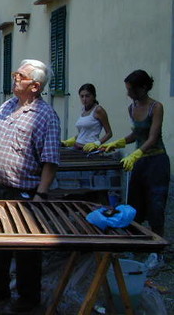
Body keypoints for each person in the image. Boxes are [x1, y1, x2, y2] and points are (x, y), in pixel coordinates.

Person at [0, 59, 60, 313]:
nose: (15, 79)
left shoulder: (46, 116)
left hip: (25, 194)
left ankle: (28, 298)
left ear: (35, 86)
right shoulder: (6, 106)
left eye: (20, 76)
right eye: (15, 74)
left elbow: (50, 162)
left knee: (26, 249)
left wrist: (41, 195)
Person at [100, 70, 170, 240]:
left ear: (144, 87)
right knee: (134, 203)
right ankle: (137, 241)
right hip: (140, 162)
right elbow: (136, 135)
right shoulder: (132, 108)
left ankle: (157, 247)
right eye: (127, 90)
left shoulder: (156, 107)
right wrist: (116, 143)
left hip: (157, 161)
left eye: (132, 90)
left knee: (156, 204)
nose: (129, 94)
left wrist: (136, 154)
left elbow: (153, 138)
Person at [61, 83, 113, 151]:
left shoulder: (98, 110)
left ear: (94, 96)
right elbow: (83, 133)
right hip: (77, 147)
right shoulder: (83, 110)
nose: (84, 99)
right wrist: (69, 142)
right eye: (82, 96)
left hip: (89, 149)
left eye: (87, 96)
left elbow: (109, 133)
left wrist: (97, 143)